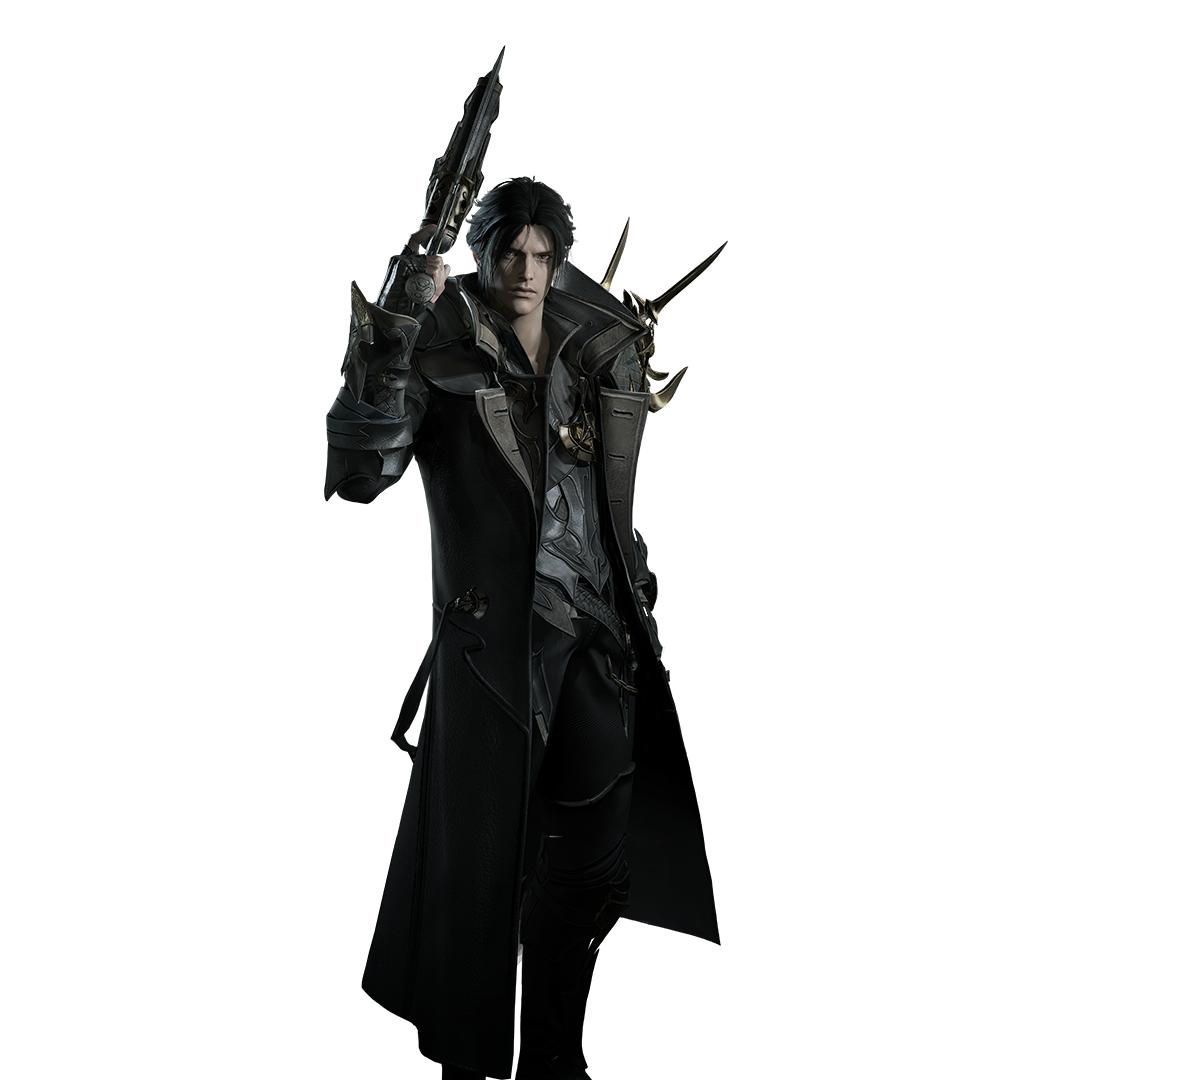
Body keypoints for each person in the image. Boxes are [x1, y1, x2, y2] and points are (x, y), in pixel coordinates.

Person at [325, 177, 718, 1080]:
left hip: (596, 641)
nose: (526, 269)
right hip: (494, 659)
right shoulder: (437, 350)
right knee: (477, 877)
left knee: (594, 865)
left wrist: (635, 592)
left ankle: (552, 1058)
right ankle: (470, 1063)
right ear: (484, 252)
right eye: (510, 251)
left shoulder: (596, 350)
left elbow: (606, 500)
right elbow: (361, 473)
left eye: (543, 254)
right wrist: (392, 330)